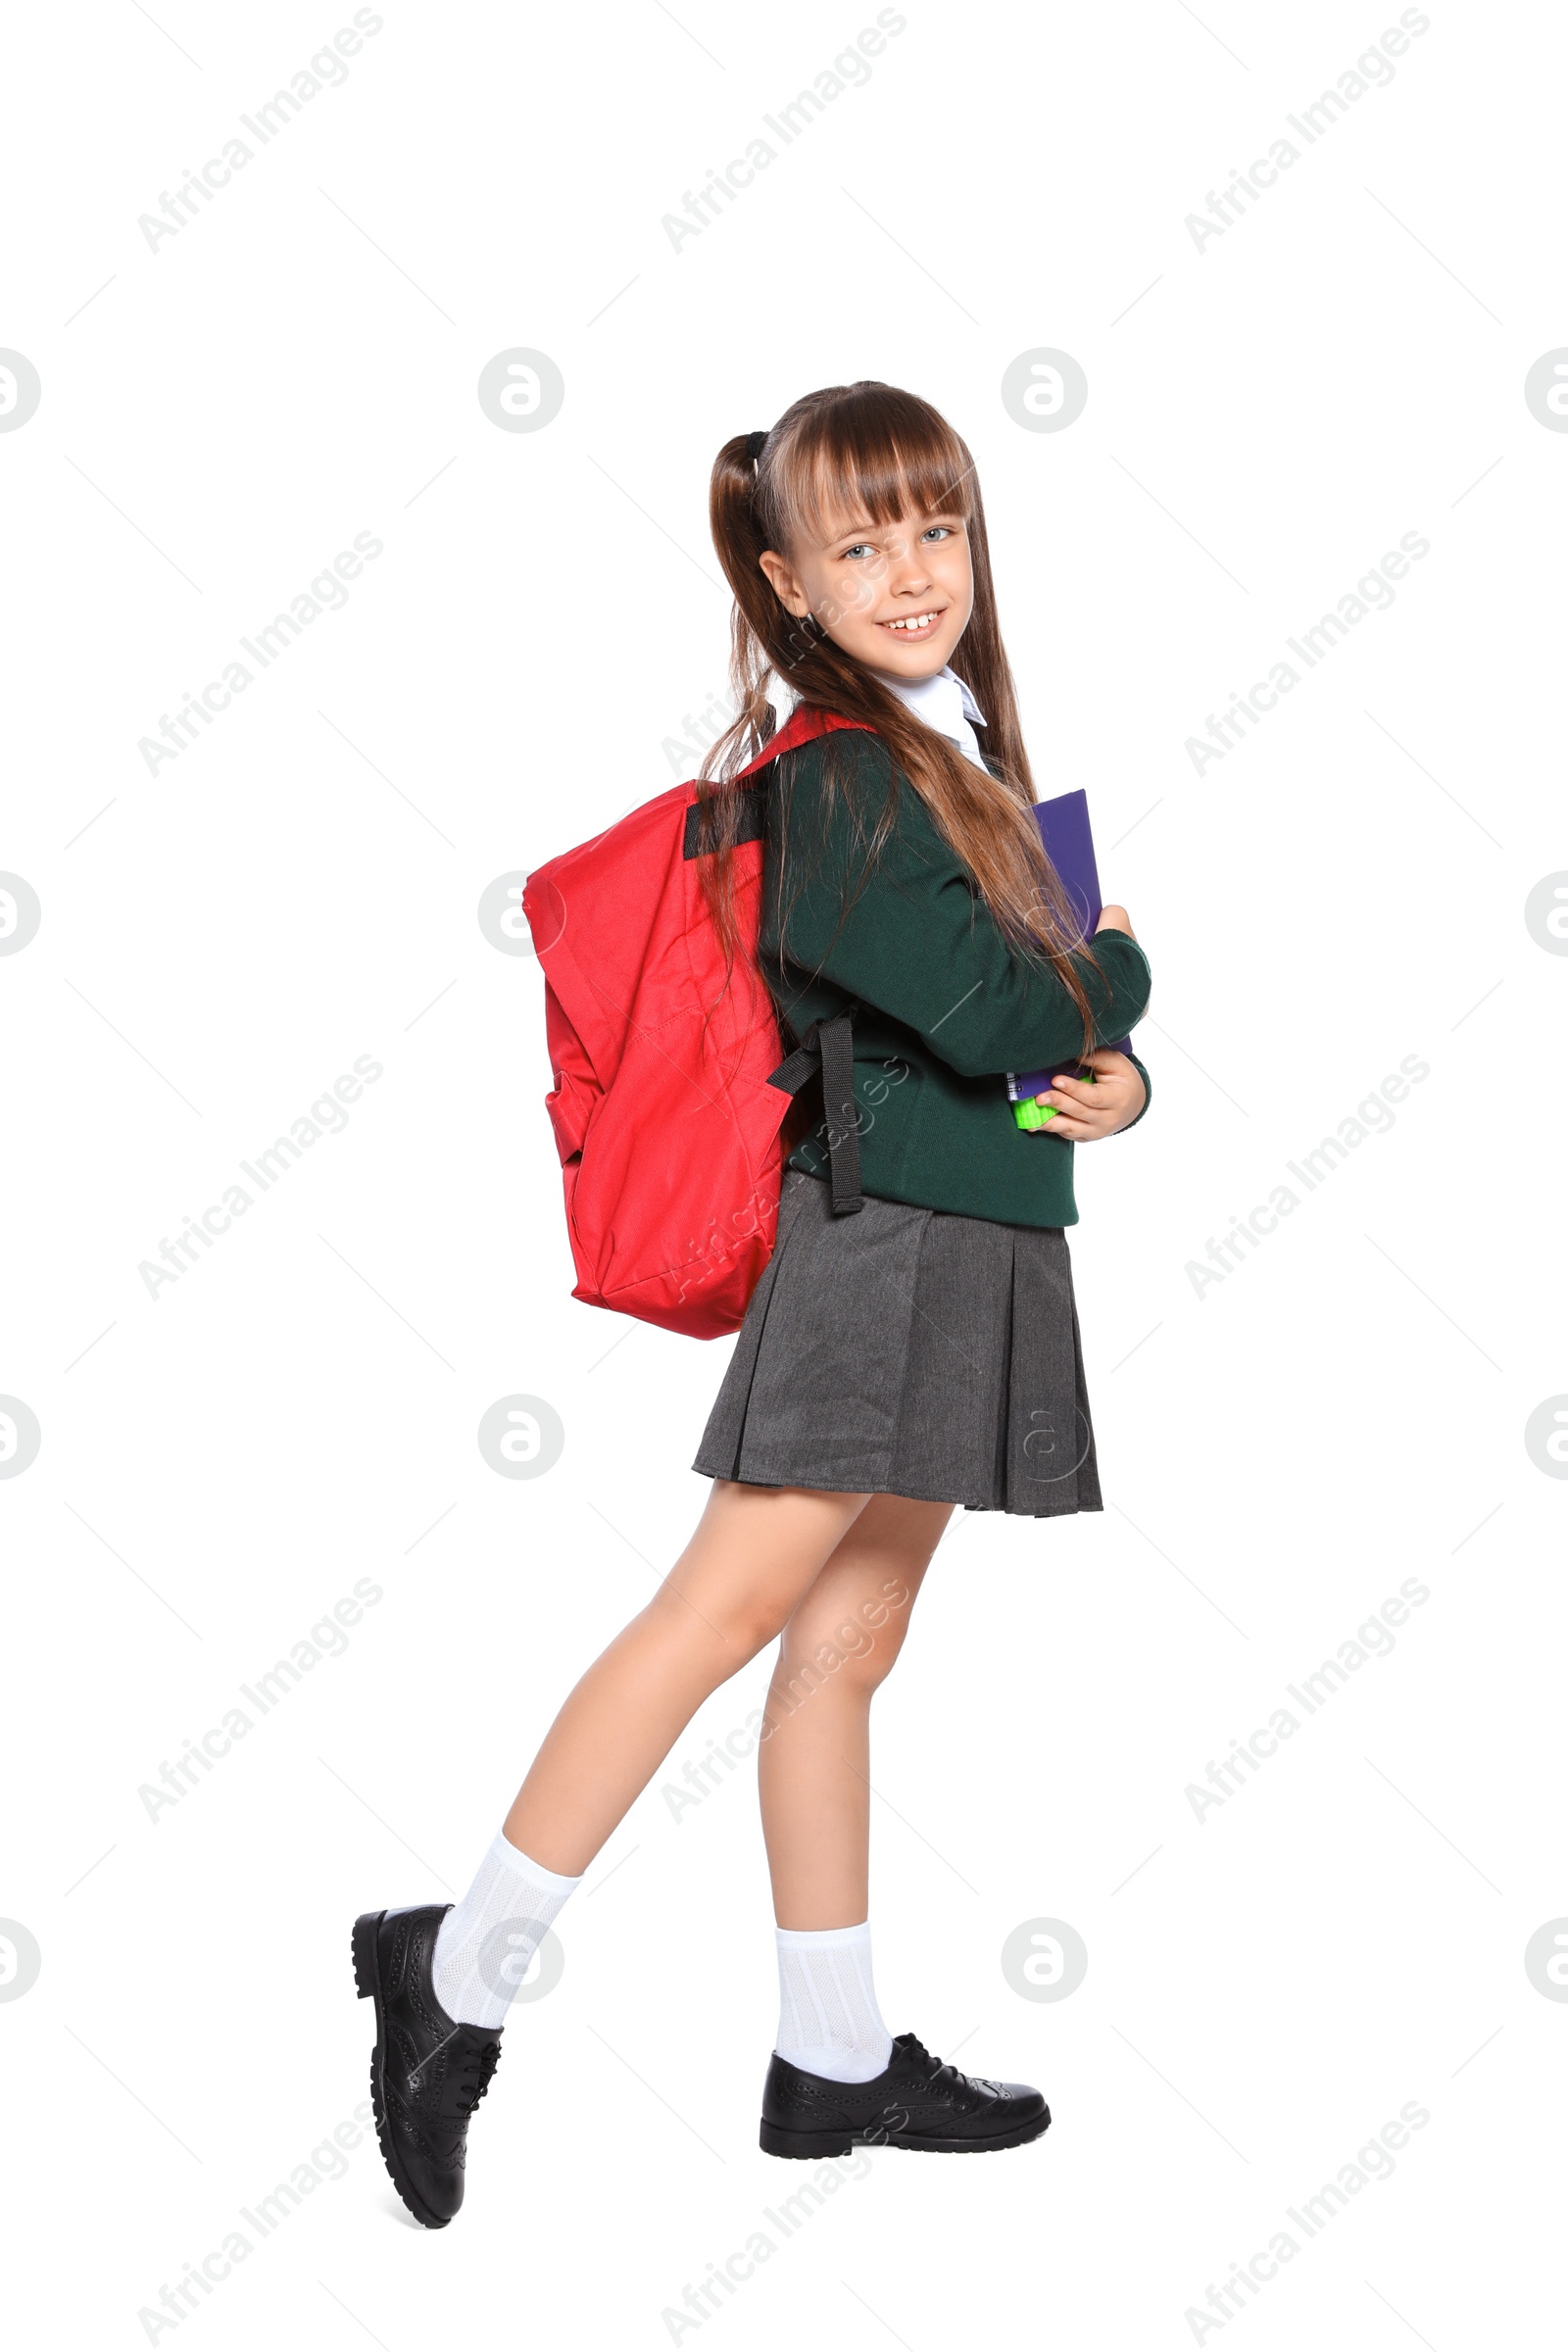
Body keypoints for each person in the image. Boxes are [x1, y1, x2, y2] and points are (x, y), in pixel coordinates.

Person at [352, 380, 1153, 2227]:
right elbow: (1000, 1009)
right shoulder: (848, 778)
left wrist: (1120, 1072)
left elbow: (1050, 1043)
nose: (909, 570)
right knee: (717, 1615)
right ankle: (451, 1971)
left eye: (934, 526)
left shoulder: (968, 759)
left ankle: (834, 2056)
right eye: (859, 542)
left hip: (982, 1245)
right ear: (788, 583)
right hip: (877, 1253)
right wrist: (1117, 972)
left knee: (848, 1648)